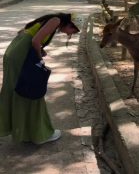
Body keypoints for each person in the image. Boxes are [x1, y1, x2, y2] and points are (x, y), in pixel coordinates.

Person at [0, 13, 82, 144]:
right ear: (70, 24)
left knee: (18, 90)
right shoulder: (56, 20)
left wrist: (39, 50)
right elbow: (35, 41)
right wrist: (38, 58)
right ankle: (39, 133)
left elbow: (28, 35)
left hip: (16, 52)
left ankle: (25, 131)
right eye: (72, 31)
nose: (69, 34)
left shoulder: (52, 21)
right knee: (32, 90)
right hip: (20, 55)